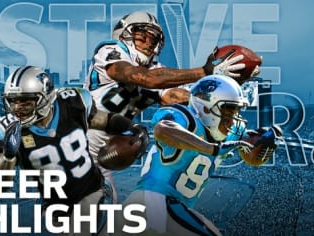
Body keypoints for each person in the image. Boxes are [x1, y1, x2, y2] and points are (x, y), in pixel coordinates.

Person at [84, 11, 258, 203]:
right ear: (123, 33)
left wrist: (226, 87)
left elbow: (189, 98)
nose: (149, 42)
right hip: (74, 149)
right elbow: (144, 78)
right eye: (142, 35)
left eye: (154, 38)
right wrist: (204, 71)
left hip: (100, 159)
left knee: (105, 225)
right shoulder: (111, 50)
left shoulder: (154, 70)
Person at [0, 65, 149, 235]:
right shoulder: (5, 130)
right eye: (13, 101)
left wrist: (132, 128)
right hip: (55, 205)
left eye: (26, 102)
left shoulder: (71, 103)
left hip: (90, 190)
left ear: (46, 98)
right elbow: (0, 186)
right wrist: (8, 156)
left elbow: (104, 120)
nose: (18, 109)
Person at [113, 75, 282, 235]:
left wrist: (264, 141)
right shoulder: (186, 118)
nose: (232, 120)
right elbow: (162, 130)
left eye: (235, 112)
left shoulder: (228, 132)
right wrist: (210, 148)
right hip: (153, 204)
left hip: (168, 210)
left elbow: (251, 155)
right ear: (206, 107)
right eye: (227, 112)